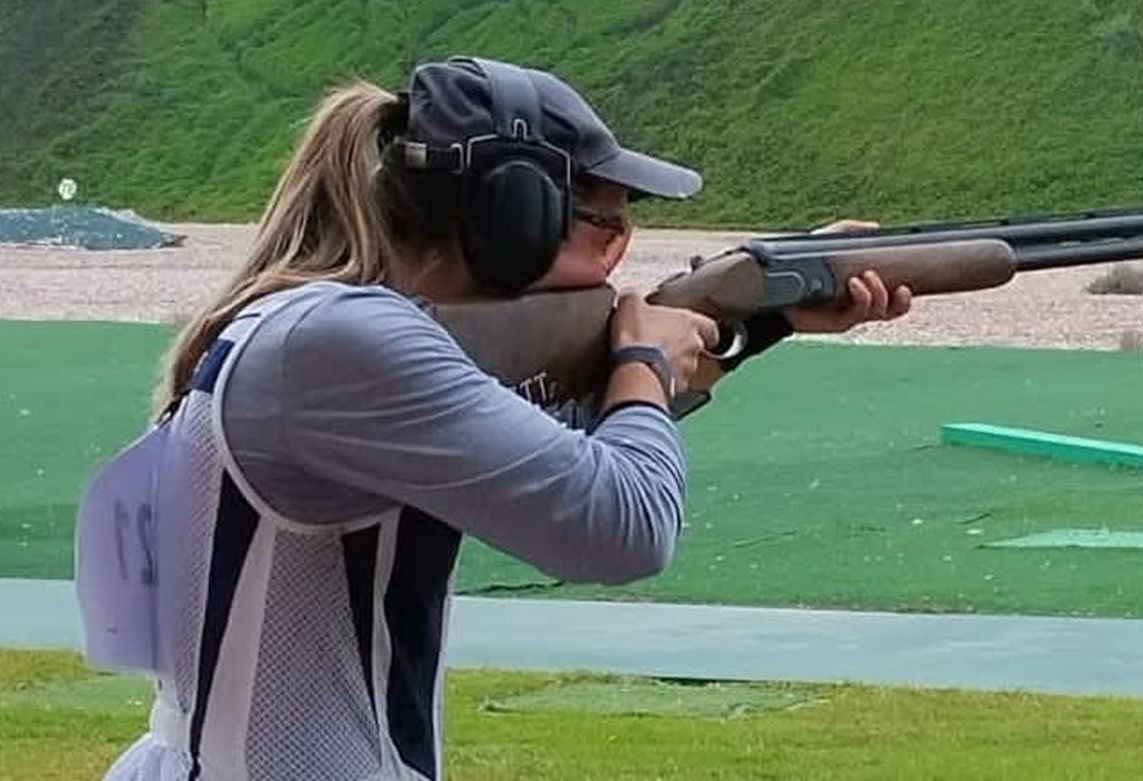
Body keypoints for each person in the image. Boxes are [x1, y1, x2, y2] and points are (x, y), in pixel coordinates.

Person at [73, 55, 913, 780]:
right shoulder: (342, 340)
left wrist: (759, 316)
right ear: (513, 210)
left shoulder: (317, 328)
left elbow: (557, 452)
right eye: (605, 220)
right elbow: (621, 524)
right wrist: (641, 358)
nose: (619, 250)